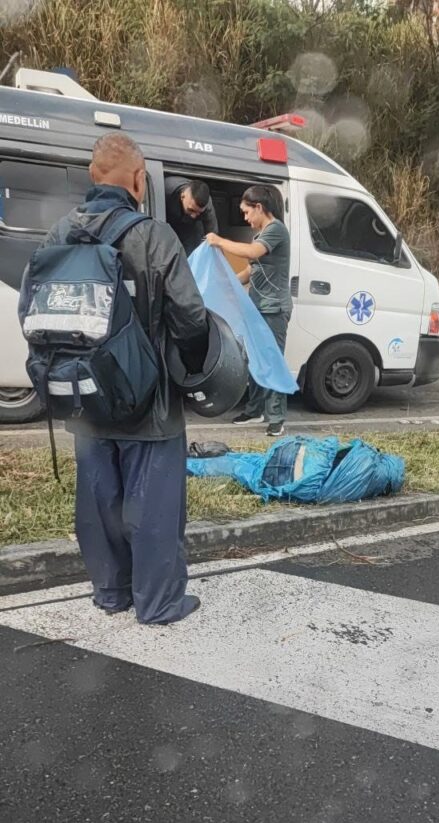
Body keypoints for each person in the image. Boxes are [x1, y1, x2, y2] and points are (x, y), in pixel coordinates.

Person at [41, 133, 208, 625]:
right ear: (139, 180)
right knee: (153, 504)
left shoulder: (57, 235)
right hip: (147, 403)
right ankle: (158, 603)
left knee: (99, 500)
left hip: (82, 397)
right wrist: (193, 369)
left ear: (93, 178)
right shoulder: (154, 236)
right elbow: (191, 317)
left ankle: (111, 593)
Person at [205, 185, 292, 437]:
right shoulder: (260, 234)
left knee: (272, 361)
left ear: (259, 208)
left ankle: (276, 418)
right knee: (254, 360)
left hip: (273, 308)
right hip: (257, 307)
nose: (245, 218)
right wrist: (228, 283)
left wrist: (219, 241)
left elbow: (253, 253)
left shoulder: (276, 230)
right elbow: (253, 271)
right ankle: (255, 410)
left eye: (246, 212)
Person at [164, 176, 218, 256]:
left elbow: (212, 235)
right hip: (166, 222)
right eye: (191, 210)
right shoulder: (166, 189)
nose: (193, 215)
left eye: (198, 212)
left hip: (191, 229)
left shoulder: (207, 206)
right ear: (182, 196)